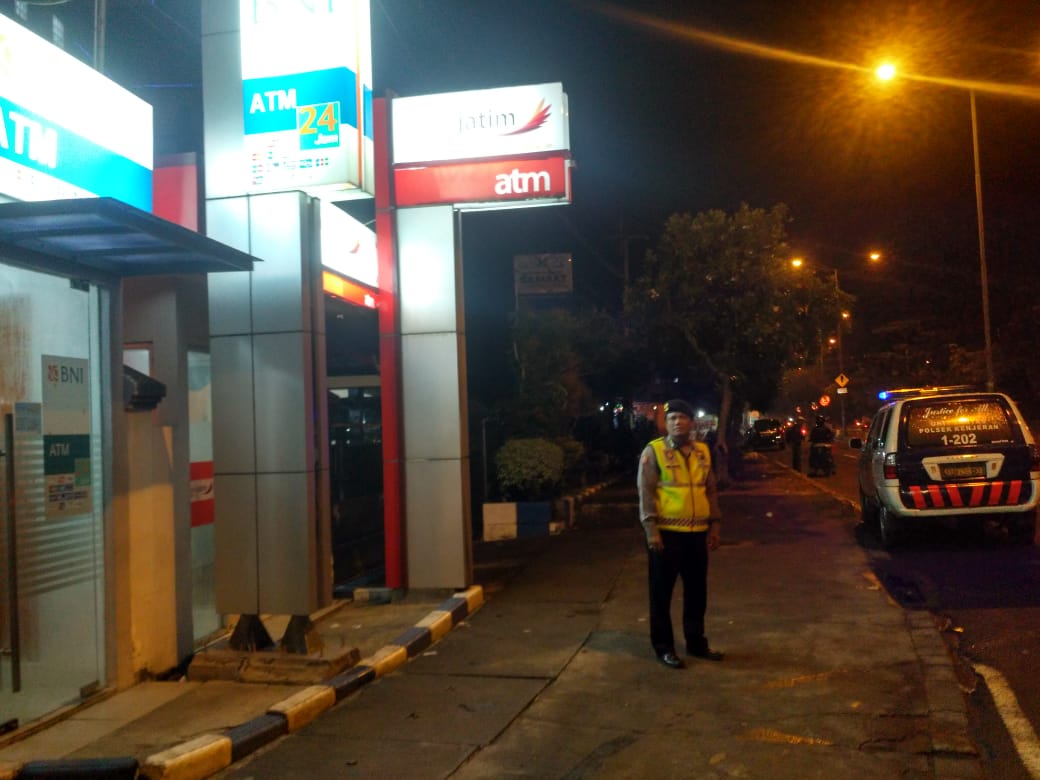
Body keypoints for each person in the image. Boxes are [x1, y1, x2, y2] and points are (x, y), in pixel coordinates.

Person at [637, 399, 723, 669]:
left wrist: (715, 525)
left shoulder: (702, 451)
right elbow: (646, 493)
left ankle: (696, 643)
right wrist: (651, 531)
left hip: (697, 534)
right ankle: (664, 647)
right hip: (666, 535)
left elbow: (710, 490)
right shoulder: (654, 451)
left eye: (682, 417)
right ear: (666, 423)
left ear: (691, 422)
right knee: (661, 594)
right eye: (672, 418)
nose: (677, 422)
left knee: (697, 593)